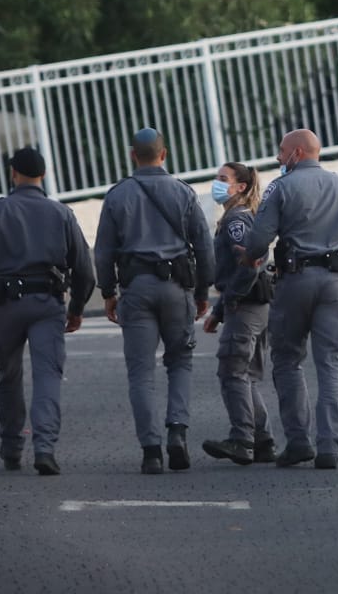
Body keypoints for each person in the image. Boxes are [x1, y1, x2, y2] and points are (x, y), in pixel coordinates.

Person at [239, 129, 338, 470]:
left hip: (294, 282)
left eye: (282, 152)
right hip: (334, 284)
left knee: (286, 360)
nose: (279, 158)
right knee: (332, 367)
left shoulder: (280, 188)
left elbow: (259, 239)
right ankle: (329, 448)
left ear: (297, 153)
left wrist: (248, 256)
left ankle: (298, 442)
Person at [0, 147, 96, 476]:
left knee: (8, 376)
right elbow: (84, 268)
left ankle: (11, 446)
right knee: (47, 376)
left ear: (13, 174)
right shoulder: (61, 213)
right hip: (47, 304)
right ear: (44, 175)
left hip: (5, 306)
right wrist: (77, 307)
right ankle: (45, 448)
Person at [94, 128, 215, 474]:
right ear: (164, 154)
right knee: (180, 362)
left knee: (141, 372)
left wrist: (108, 292)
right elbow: (204, 248)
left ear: (133, 155)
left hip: (136, 288)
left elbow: (103, 252)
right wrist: (204, 291)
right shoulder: (183, 193)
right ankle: (177, 431)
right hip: (177, 288)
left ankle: (151, 451)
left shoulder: (117, 197)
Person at [200, 162, 278, 465]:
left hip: (246, 307)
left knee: (232, 371)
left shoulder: (236, 221)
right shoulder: (241, 217)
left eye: (223, 179)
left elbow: (250, 262)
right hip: (254, 306)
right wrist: (218, 311)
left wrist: (230, 300)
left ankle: (242, 440)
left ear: (240, 187)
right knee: (246, 375)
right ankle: (262, 440)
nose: (216, 184)